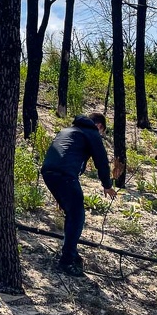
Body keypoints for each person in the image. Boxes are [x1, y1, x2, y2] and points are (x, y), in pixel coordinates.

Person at [41, 112, 116, 276]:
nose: (101, 134)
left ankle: (72, 253)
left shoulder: (68, 130)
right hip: (65, 175)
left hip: (48, 172)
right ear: (99, 126)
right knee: (78, 216)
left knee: (72, 213)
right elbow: (102, 161)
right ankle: (66, 261)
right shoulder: (92, 132)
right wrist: (107, 185)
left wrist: (60, 196)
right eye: (102, 131)